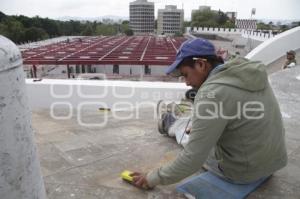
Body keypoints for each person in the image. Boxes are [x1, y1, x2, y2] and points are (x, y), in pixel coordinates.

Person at [130, 38, 287, 191]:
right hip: (273, 162)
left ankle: (172, 123)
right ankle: (187, 121)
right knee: (204, 130)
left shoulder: (212, 93)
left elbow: (192, 160)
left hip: (244, 172)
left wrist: (152, 178)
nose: (186, 82)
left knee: (191, 140)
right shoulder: (247, 73)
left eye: (185, 74)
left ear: (201, 64)